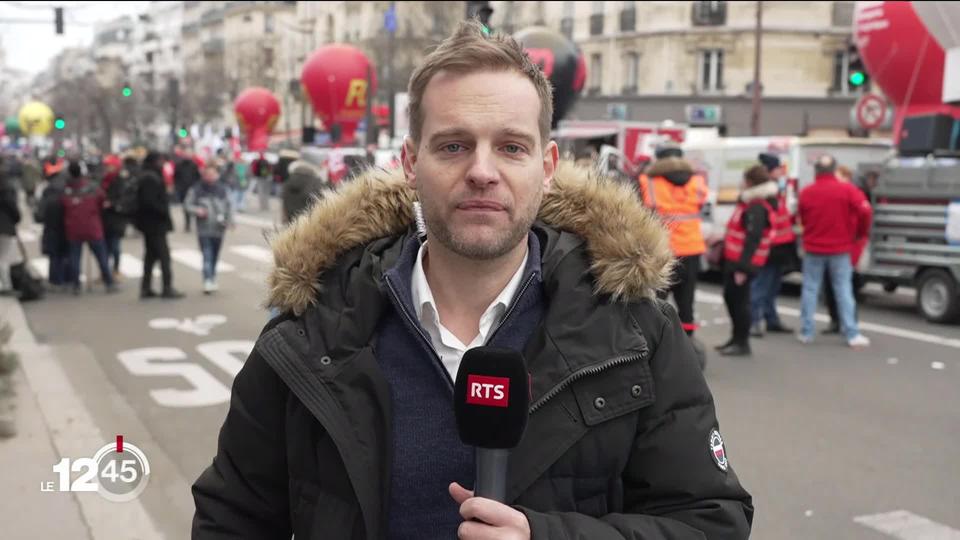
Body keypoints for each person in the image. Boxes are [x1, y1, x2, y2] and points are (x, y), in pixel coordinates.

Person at [192, 21, 752, 539]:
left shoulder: (635, 332)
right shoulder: (309, 333)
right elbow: (230, 519)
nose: (482, 171)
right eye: (454, 145)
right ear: (411, 163)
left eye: (511, 147)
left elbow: (710, 522)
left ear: (548, 166)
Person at [797, 155, 872, 347]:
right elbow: (865, 210)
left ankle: (807, 331)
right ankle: (851, 332)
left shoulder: (807, 192)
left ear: (816, 172)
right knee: (843, 290)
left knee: (810, 288)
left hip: (814, 247)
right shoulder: (847, 190)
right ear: (834, 170)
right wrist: (859, 232)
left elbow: (801, 217)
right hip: (840, 248)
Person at [638, 141, 708, 337]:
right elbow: (702, 205)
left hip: (662, 250)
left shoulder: (647, 181)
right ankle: (688, 347)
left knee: (656, 302)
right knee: (686, 303)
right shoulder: (697, 181)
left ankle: (654, 343)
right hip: (692, 249)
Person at [716, 165, 779, 356]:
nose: (741, 183)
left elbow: (753, 238)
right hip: (735, 260)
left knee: (739, 301)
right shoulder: (749, 203)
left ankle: (741, 342)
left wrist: (743, 268)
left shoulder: (756, 207)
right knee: (731, 298)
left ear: (750, 182)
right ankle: (735, 338)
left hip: (742, 264)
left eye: (744, 180)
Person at [749, 153, 796, 337]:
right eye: (778, 168)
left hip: (780, 245)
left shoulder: (776, 188)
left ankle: (771, 319)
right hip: (771, 246)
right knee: (761, 285)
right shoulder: (767, 192)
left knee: (773, 286)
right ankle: (755, 321)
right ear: (770, 170)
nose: (781, 171)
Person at [60, 160, 117, 295]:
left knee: (75, 257)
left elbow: (62, 207)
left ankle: (76, 285)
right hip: (92, 227)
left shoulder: (66, 190)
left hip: (73, 228)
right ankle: (109, 282)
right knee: (101, 256)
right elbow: (103, 201)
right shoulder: (92, 187)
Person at [135, 152, 184, 300]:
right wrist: (163, 210)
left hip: (150, 223)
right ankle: (166, 287)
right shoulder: (150, 177)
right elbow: (150, 202)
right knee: (164, 256)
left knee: (150, 256)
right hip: (155, 224)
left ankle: (146, 287)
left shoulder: (147, 175)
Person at [185, 164, 233, 294]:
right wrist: (197, 210)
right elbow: (187, 205)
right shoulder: (196, 189)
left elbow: (230, 206)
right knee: (207, 255)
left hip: (219, 229)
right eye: (207, 174)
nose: (210, 176)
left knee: (215, 255)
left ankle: (212, 278)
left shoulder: (223, 189)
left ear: (217, 174)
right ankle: (207, 280)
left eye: (213, 173)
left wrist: (230, 221)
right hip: (204, 228)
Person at [281, 147, 331, 224]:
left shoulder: (290, 179)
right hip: (308, 226)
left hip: (290, 225)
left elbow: (284, 205)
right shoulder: (315, 183)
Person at [100, 154, 128, 279]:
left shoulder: (120, 181)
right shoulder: (102, 180)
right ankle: (105, 272)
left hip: (116, 219)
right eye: (106, 166)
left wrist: (111, 204)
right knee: (104, 248)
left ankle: (116, 269)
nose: (107, 168)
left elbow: (123, 199)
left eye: (110, 166)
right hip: (103, 219)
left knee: (115, 247)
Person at [0, 158, 21, 295]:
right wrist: (16, 218)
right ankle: (6, 285)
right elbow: (12, 207)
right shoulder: (5, 185)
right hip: (4, 225)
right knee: (2, 257)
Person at [175, 148, 201, 232]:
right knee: (185, 207)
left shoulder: (194, 165)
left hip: (192, 189)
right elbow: (176, 176)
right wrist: (178, 187)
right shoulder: (179, 165)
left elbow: (198, 177)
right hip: (183, 189)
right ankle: (187, 223)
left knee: (195, 206)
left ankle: (195, 223)